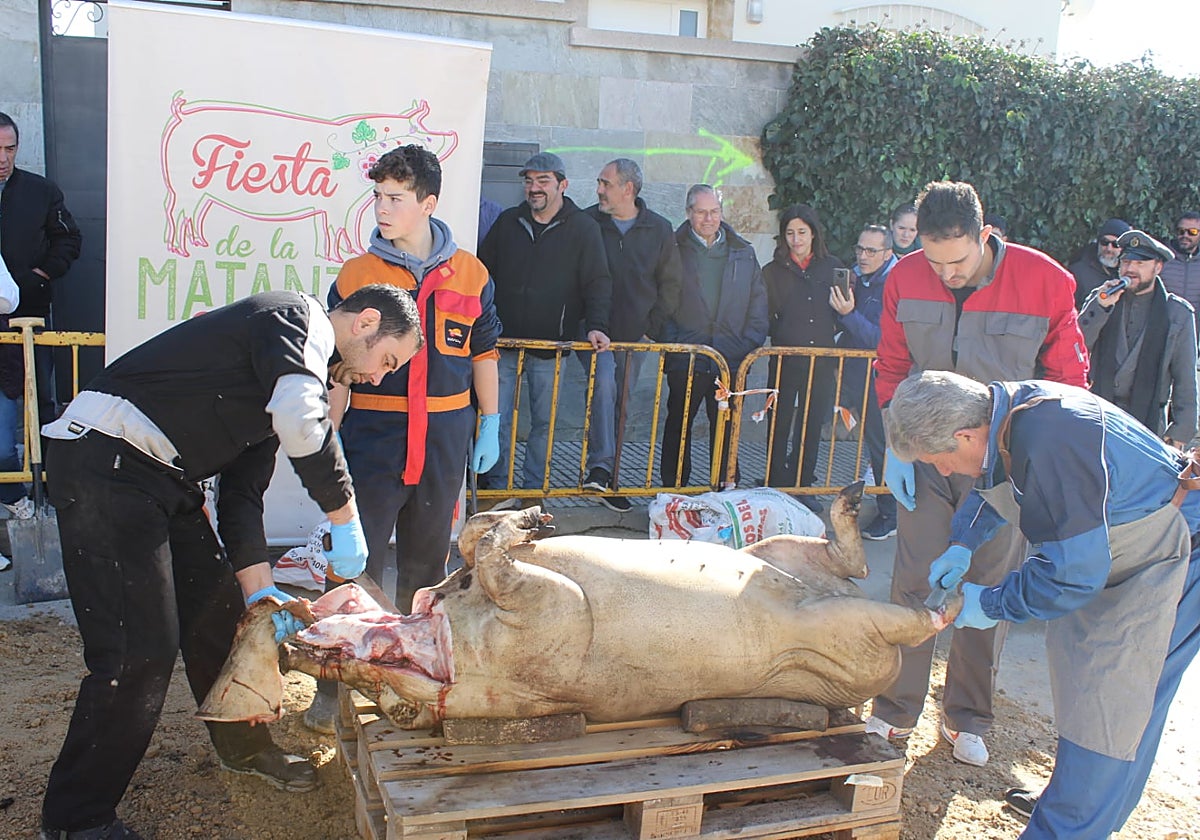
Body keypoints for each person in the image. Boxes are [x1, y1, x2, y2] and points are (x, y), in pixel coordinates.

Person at [37, 285, 422, 840]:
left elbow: (241, 500)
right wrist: (345, 515)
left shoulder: (284, 377)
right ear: (365, 322)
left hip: (161, 478)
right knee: (136, 651)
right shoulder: (294, 319)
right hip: (106, 459)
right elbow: (302, 421)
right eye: (387, 360)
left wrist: (259, 593)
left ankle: (243, 746)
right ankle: (76, 818)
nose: (380, 377)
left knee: (220, 620)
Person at [884, 369, 1200, 840]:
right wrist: (962, 542)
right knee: (1083, 680)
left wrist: (990, 603)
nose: (944, 473)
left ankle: (1068, 824)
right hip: (1118, 554)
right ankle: (1073, 807)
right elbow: (1000, 482)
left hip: (1173, 556)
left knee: (1113, 706)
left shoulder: (1054, 441)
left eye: (940, 461)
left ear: (964, 434)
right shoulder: (1005, 413)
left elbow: (1070, 576)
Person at [869, 180, 1088, 767]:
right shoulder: (903, 277)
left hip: (1001, 465)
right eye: (934, 261)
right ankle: (895, 707)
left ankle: (967, 717)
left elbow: (1068, 384)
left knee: (989, 586)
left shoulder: (1046, 281)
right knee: (913, 579)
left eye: (958, 261)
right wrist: (896, 444)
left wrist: (1037, 466)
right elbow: (891, 364)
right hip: (925, 456)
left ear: (984, 235)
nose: (946, 274)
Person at [311, 145, 502, 731]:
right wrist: (329, 433)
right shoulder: (357, 274)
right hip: (374, 435)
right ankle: (330, 686)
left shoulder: (472, 273)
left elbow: (484, 353)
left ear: (428, 203)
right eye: (377, 196)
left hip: (445, 436)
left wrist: (491, 421)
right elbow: (338, 365)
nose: (382, 208)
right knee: (351, 560)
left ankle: (414, 677)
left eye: (395, 198)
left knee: (427, 564)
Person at [478, 152, 611, 498]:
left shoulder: (584, 228)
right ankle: (496, 490)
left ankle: (532, 493)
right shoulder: (508, 222)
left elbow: (597, 281)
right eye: (529, 181)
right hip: (503, 343)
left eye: (543, 181)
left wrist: (596, 325)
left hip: (552, 345)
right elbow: (482, 272)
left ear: (562, 185)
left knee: (544, 425)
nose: (533, 188)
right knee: (497, 417)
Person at [583, 158, 682, 511]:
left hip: (634, 335)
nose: (599, 190)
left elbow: (671, 284)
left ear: (628, 189)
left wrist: (649, 331)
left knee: (621, 404)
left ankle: (609, 481)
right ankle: (599, 467)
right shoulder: (588, 223)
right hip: (592, 331)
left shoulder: (659, 229)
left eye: (605, 184)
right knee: (604, 384)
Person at [0, 111, 81, 520]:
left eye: (10, 148)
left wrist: (40, 276)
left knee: (41, 401)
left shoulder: (40, 190)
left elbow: (69, 238)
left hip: (29, 317)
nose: (3, 158)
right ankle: (11, 493)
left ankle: (48, 488)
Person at [660, 184, 768, 489]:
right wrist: (674, 342)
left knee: (726, 426)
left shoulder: (742, 252)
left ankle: (725, 490)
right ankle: (674, 491)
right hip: (687, 358)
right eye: (701, 212)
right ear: (688, 213)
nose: (709, 219)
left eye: (714, 212)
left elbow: (758, 302)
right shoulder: (672, 249)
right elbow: (660, 299)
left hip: (730, 358)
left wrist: (747, 343)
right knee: (678, 425)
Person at [1078, 229, 1196, 448]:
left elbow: (1185, 378)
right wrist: (1100, 308)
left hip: (1149, 422)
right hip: (1099, 415)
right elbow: (1077, 347)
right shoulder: (1102, 299)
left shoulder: (1177, 313)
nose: (1130, 269)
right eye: (1126, 262)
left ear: (1157, 267)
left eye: (1140, 263)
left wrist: (1180, 432)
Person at [762, 204, 842, 509]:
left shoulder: (831, 267)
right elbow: (763, 313)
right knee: (778, 420)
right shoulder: (772, 271)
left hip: (820, 359)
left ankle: (803, 484)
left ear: (813, 234)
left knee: (811, 422)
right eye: (790, 233)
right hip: (784, 357)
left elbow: (843, 311)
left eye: (802, 233)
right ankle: (774, 483)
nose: (796, 240)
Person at [829, 223, 898, 539]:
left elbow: (882, 340)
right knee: (874, 445)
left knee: (883, 446)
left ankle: (891, 514)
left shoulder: (894, 284)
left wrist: (848, 314)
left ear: (887, 253)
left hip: (883, 378)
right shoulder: (857, 277)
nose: (863, 255)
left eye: (871, 250)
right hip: (856, 374)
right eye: (860, 248)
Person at [1068, 217, 1130, 309]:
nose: (1109, 249)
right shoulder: (1078, 273)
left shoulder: (1131, 274)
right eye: (1104, 242)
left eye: (1115, 244)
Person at [1160, 210, 1200, 328]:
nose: (1185, 235)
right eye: (1181, 231)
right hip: (1163, 328)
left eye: (1192, 232)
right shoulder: (1162, 258)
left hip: (1194, 332)